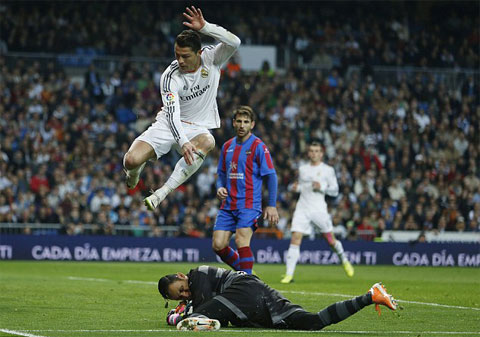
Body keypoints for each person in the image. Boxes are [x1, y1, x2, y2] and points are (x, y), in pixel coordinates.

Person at [122, 6, 241, 210]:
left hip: (197, 127)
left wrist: (206, 27)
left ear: (199, 52)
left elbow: (235, 42)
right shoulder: (170, 76)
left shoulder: (212, 58)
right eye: (177, 54)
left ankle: (161, 193)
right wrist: (183, 142)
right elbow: (172, 113)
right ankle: (134, 173)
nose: (180, 60)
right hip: (169, 123)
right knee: (130, 160)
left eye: (185, 56)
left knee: (208, 140)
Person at [158, 265, 398, 331]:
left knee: (195, 318)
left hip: (244, 289)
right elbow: (203, 305)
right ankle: (371, 296)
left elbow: (201, 305)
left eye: (181, 289)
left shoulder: (198, 273)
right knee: (313, 322)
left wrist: (176, 315)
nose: (185, 293)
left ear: (181, 276)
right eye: (180, 296)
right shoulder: (198, 289)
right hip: (259, 294)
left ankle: (205, 323)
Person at [213, 106, 279, 275]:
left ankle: (246, 284)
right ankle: (247, 274)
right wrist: (220, 186)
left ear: (252, 124)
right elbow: (221, 173)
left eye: (246, 122)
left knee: (241, 239)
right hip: (228, 205)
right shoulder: (227, 146)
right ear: (234, 123)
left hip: (249, 204)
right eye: (239, 121)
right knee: (218, 245)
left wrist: (271, 205)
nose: (242, 125)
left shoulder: (258, 146)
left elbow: (271, 176)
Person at [281, 141, 354, 283]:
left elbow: (335, 190)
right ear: (308, 153)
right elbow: (301, 186)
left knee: (331, 240)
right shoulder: (303, 169)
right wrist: (294, 188)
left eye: (317, 151)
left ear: (321, 153)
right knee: (295, 237)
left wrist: (322, 186)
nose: (314, 153)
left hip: (319, 209)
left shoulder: (328, 170)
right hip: (302, 207)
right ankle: (289, 274)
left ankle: (344, 260)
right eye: (312, 151)